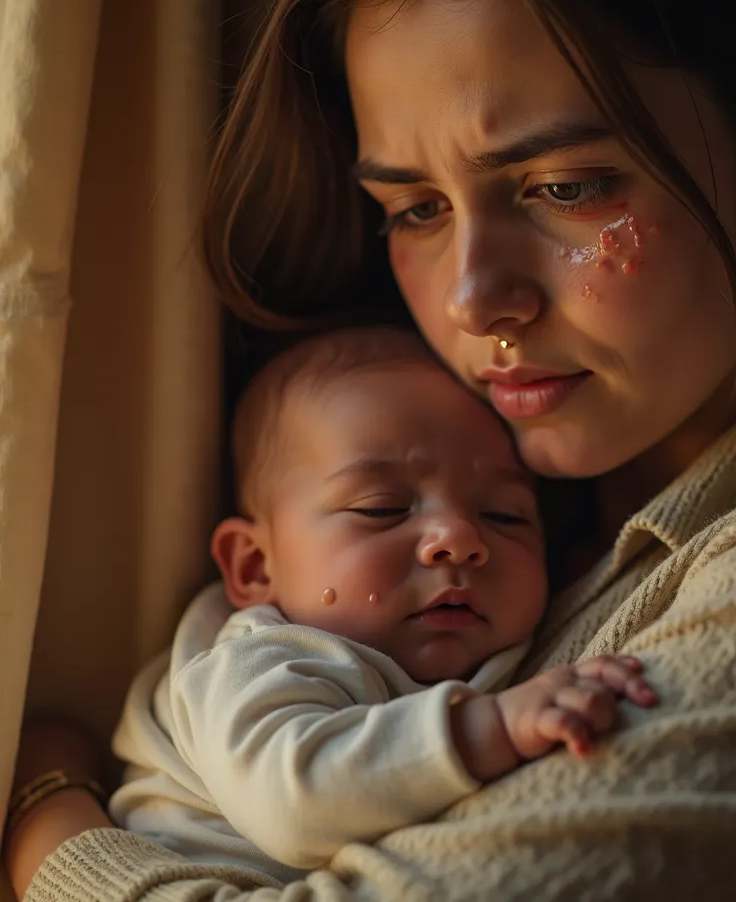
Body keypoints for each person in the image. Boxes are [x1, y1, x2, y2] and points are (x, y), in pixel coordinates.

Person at [6, 0, 736, 899]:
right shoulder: (450, 528)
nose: (470, 301)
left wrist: (48, 815)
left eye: (565, 187)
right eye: (412, 208)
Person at [106, 326, 655, 882]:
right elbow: (292, 801)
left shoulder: (533, 631)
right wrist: (491, 728)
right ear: (255, 566)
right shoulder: (259, 661)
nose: (460, 538)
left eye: (505, 516)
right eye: (382, 508)